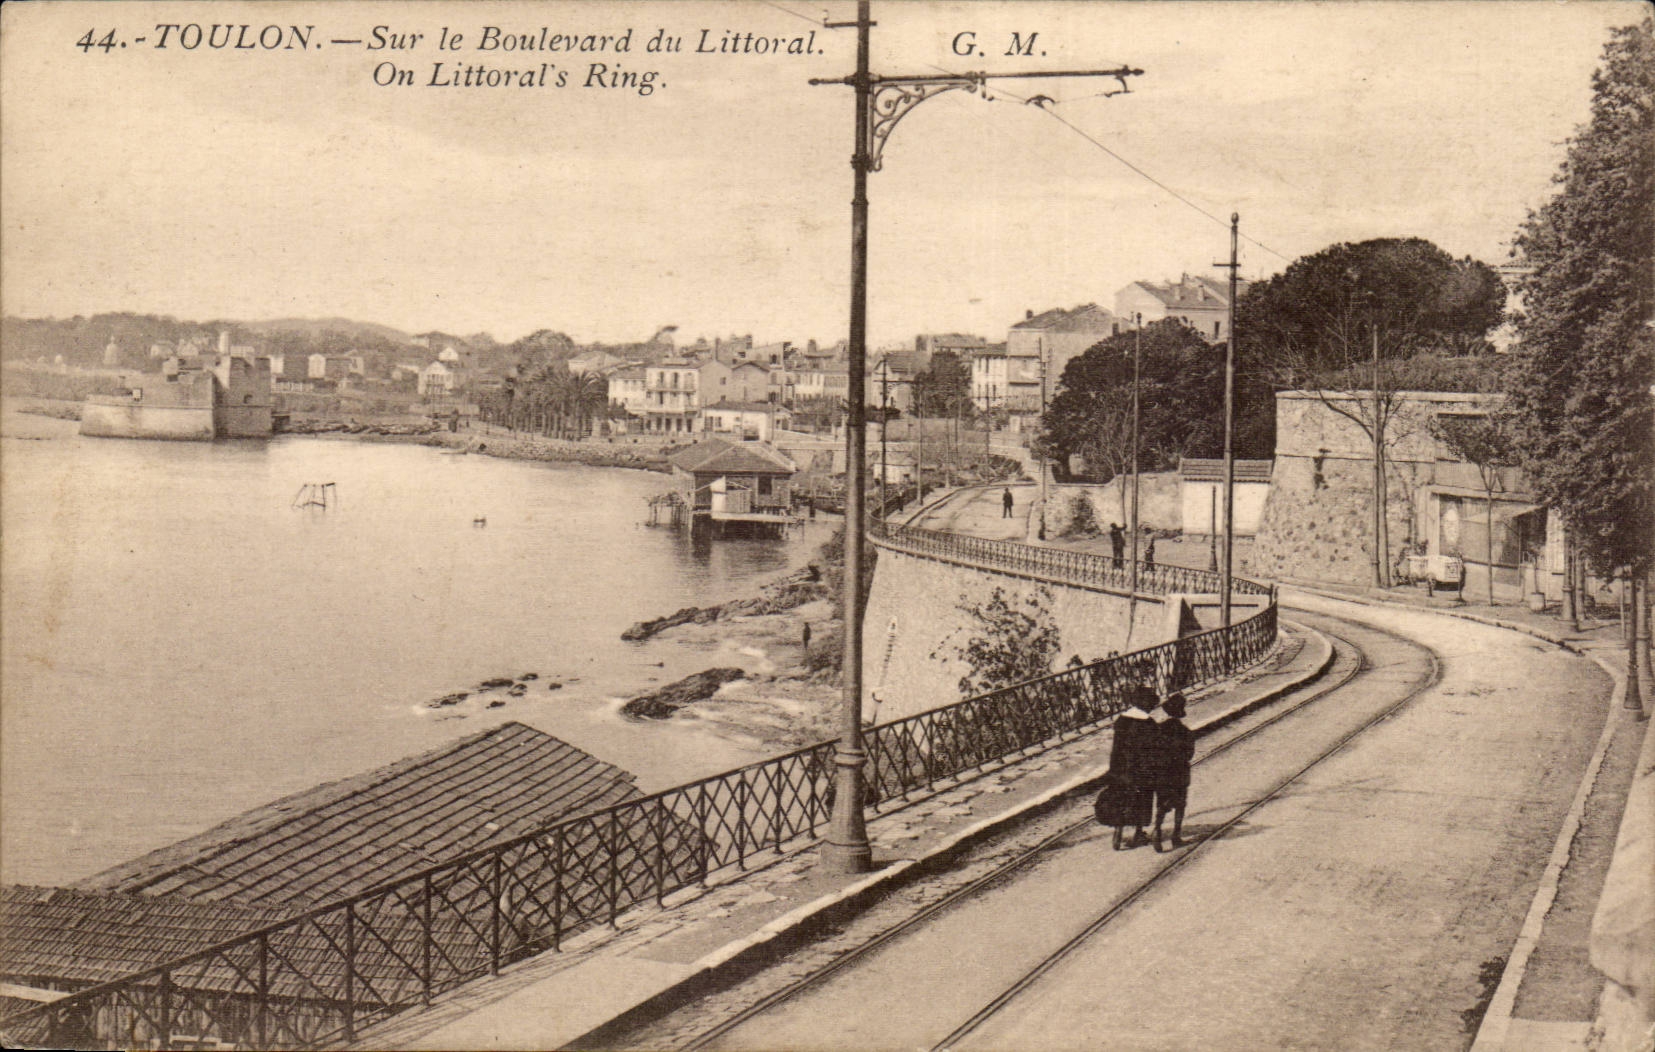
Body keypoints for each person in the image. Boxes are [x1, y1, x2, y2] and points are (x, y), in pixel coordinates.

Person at [1095, 685, 1159, 849]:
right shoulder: (1149, 724)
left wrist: (1114, 770)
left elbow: (1116, 748)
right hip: (1141, 771)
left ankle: (1118, 829)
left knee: (1121, 799)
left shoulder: (1122, 721)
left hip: (1120, 768)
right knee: (1142, 799)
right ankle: (1138, 833)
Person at [1151, 692, 1195, 851]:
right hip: (1179, 773)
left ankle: (1157, 830)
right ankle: (1176, 836)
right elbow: (1189, 754)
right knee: (1180, 804)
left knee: (1162, 804)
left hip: (1162, 772)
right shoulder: (1186, 732)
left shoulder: (1159, 729)